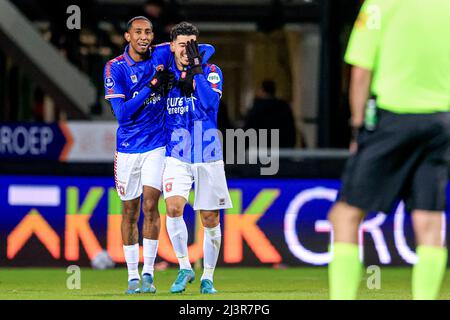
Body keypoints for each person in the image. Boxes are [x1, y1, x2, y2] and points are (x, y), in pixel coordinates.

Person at [328, 0, 450, 300]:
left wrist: (358, 125)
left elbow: (360, 71)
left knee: (344, 215)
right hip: (441, 121)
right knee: (429, 221)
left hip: (393, 118)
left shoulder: (380, 4)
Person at [103, 16, 175, 295]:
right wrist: (152, 85)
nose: (144, 36)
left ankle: (148, 273)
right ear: (127, 37)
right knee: (130, 211)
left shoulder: (160, 51)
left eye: (148, 32)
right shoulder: (115, 68)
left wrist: (187, 47)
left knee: (150, 206)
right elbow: (122, 114)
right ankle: (132, 275)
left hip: (157, 144)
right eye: (138, 32)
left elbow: (195, 46)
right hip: (128, 149)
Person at [162, 22, 232, 294]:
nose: (187, 49)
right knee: (173, 208)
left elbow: (210, 104)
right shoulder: (166, 76)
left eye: (192, 43)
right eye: (182, 44)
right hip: (176, 155)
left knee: (210, 220)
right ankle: (184, 267)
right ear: (172, 47)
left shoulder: (212, 72)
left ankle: (209, 277)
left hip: (208, 154)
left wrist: (195, 70)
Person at [244, 80, 296, 148]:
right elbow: (290, 130)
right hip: (281, 149)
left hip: (260, 149)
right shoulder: (284, 107)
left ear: (262, 90)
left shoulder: (257, 108)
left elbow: (249, 130)